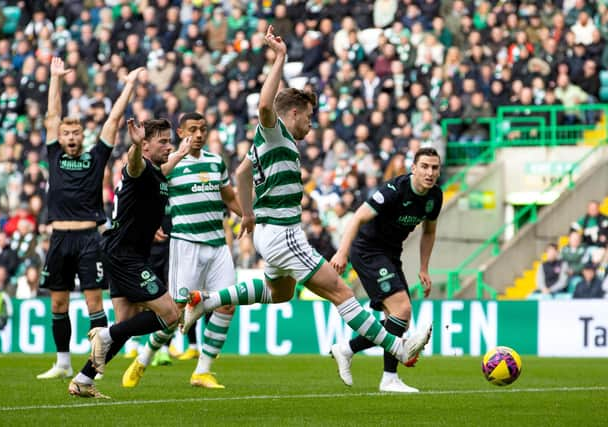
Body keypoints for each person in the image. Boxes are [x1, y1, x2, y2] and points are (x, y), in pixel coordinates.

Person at [181, 26, 432, 374]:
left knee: (279, 293)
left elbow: (239, 174)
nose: (312, 124)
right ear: (295, 112)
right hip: (284, 234)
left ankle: (204, 302)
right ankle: (398, 348)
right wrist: (280, 57)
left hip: (268, 234)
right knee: (342, 293)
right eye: (310, 116)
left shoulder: (264, 144)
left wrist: (248, 214)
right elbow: (267, 105)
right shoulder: (274, 133)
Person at [68, 118, 191, 399]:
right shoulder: (139, 166)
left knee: (125, 325)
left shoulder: (156, 172)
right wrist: (134, 146)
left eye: (169, 140)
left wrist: (181, 154)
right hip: (126, 256)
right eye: (162, 141)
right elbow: (134, 164)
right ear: (145, 144)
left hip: (122, 252)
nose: (168, 145)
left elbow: (162, 171)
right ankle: (104, 335)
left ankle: (83, 379)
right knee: (171, 314)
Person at [37, 58, 143, 380]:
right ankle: (63, 362)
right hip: (59, 238)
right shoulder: (54, 154)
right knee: (58, 305)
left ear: (82, 136)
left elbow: (112, 119)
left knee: (94, 303)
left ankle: (94, 366)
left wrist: (128, 86)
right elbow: (51, 115)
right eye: (65, 133)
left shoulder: (95, 157)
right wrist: (56, 78)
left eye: (75, 133)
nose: (69, 137)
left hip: (88, 239)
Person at [122, 112, 242, 389]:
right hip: (186, 245)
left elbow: (229, 196)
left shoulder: (216, 162)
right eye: (192, 130)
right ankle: (144, 357)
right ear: (180, 132)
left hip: (217, 244)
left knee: (227, 304)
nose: (198, 134)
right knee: (174, 313)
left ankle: (203, 370)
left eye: (202, 129)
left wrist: (247, 216)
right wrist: (150, 223)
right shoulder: (170, 162)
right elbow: (147, 187)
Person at [327, 147, 443, 393]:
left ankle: (347, 349)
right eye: (424, 166)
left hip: (391, 254)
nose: (430, 172)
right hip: (367, 250)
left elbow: (429, 232)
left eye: (434, 167)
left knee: (400, 320)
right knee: (402, 309)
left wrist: (424, 267)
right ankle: (389, 379)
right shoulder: (394, 190)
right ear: (413, 168)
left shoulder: (435, 197)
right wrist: (342, 253)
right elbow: (357, 218)